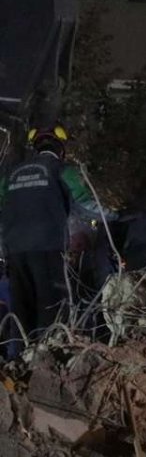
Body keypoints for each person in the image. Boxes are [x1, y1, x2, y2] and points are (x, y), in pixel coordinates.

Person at [0, 125, 76, 339]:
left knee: (21, 312)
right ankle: (47, 361)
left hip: (14, 251)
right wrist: (116, 213)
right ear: (61, 148)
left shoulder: (11, 173)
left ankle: (20, 363)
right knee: (51, 310)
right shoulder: (61, 170)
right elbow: (87, 202)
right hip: (48, 249)